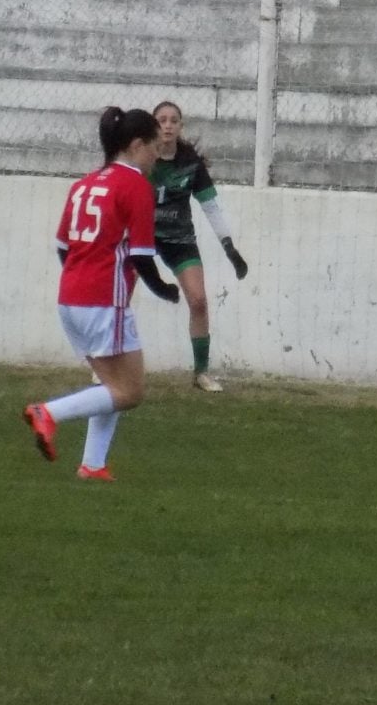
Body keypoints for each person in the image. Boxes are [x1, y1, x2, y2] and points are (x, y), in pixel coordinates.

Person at [23, 106, 180, 481]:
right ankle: (48, 413)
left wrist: (84, 273)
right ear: (137, 144)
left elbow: (63, 245)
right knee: (131, 391)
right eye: (154, 148)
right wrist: (165, 289)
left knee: (109, 384)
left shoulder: (86, 183)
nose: (157, 157)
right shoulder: (136, 185)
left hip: (71, 298)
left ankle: (93, 465)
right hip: (102, 302)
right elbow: (142, 255)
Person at [148, 101, 249, 392]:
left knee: (198, 301)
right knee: (121, 296)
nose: (167, 125)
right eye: (162, 120)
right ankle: (104, 367)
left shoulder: (190, 162)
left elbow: (211, 207)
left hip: (179, 240)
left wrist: (229, 248)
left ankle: (201, 372)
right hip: (143, 237)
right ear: (154, 125)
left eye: (173, 120)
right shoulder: (143, 158)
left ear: (181, 127)